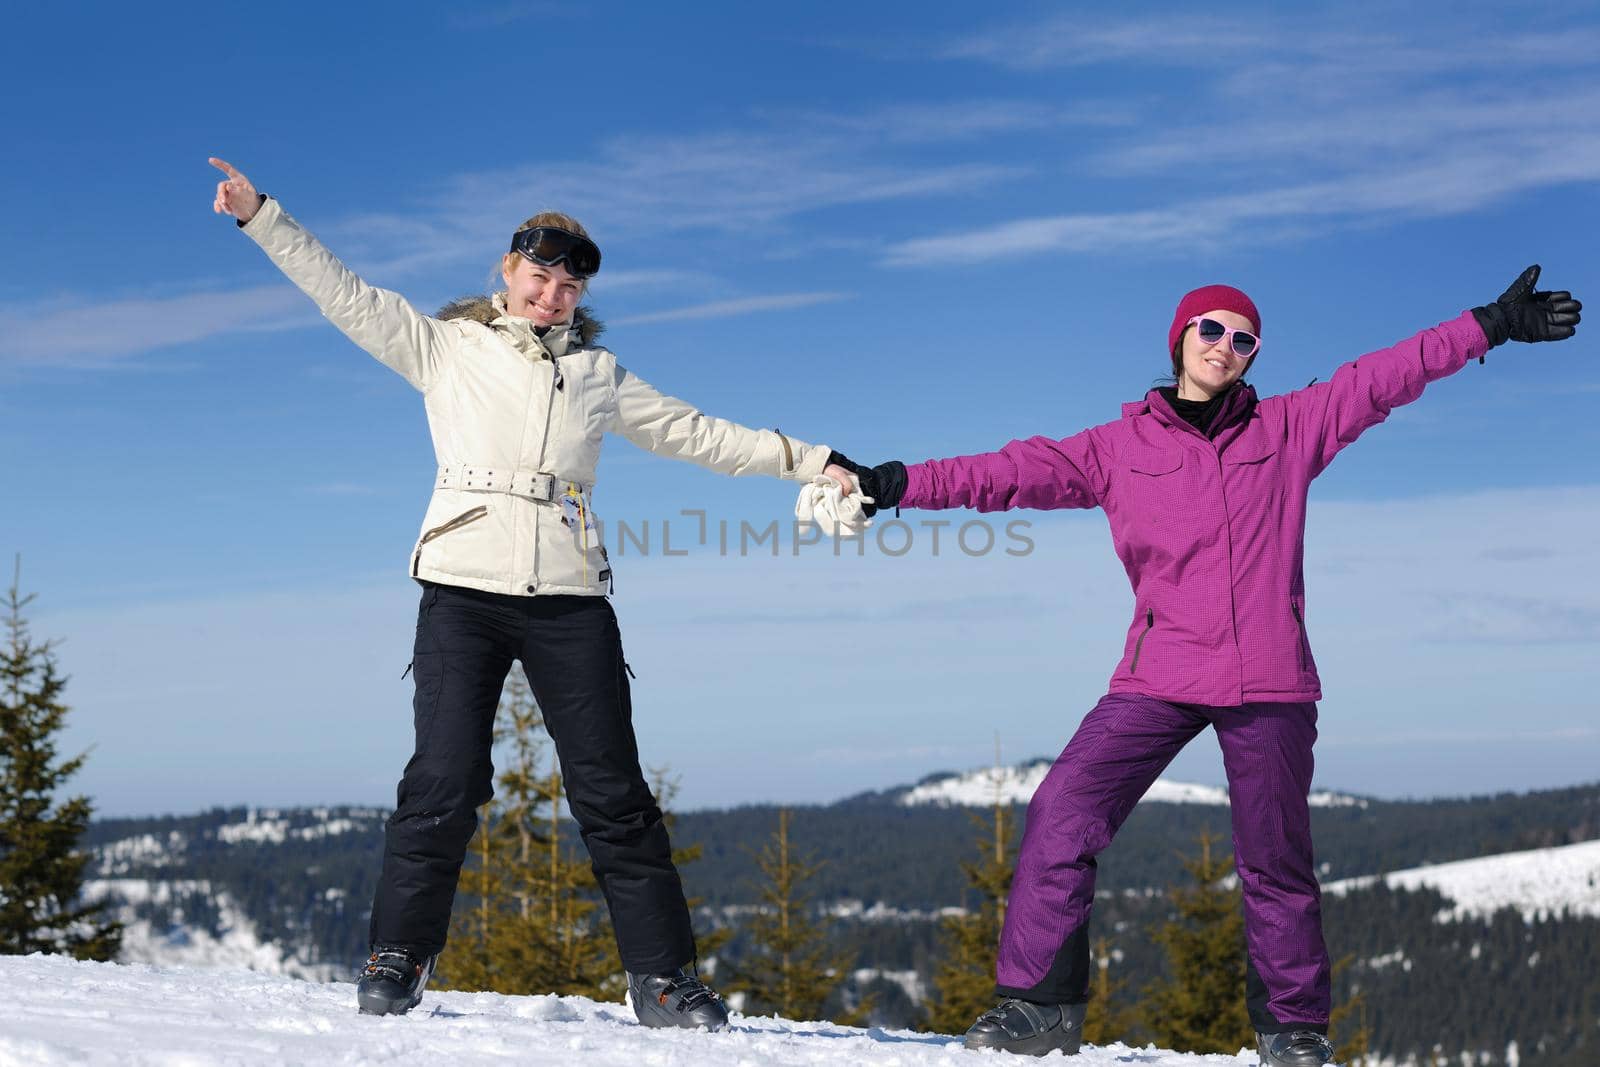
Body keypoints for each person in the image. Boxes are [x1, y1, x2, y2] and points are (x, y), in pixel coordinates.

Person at [833, 270, 1580, 1063]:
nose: (1226, 346)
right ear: (1181, 341)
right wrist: (894, 483)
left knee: (1275, 857)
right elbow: (1008, 470)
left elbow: (1386, 374)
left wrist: (1490, 325)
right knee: (1061, 809)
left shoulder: (1291, 428)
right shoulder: (1116, 449)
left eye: (1243, 338)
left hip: (1270, 679)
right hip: (1161, 673)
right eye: (1211, 331)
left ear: (1254, 356)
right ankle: (1041, 1007)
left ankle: (1293, 1029)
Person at [209, 157, 856, 1027]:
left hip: (569, 596)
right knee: (442, 780)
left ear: (580, 295)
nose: (551, 295)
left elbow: (701, 434)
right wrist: (261, 216)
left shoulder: (599, 377)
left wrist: (812, 460)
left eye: (567, 285)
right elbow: (346, 294)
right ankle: (398, 954)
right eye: (538, 276)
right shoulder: (445, 348)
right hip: (462, 588)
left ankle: (663, 978)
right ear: (507, 273)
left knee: (612, 793)